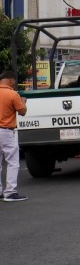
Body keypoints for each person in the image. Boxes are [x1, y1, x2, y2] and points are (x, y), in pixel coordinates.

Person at [0, 69, 28, 201]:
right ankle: (10, 192)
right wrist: (23, 102)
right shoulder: (12, 94)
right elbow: (22, 112)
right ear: (11, 80)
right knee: (12, 162)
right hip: (6, 131)